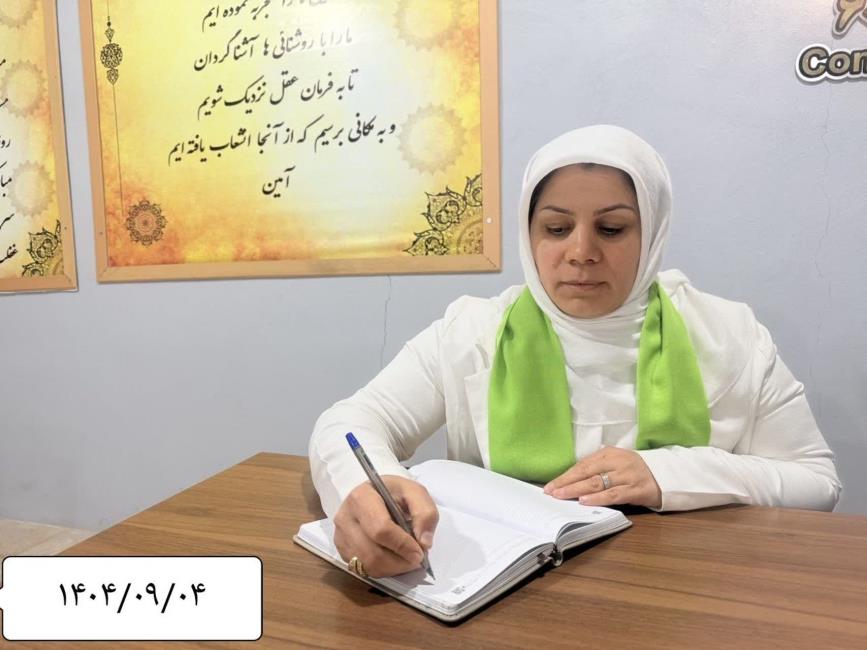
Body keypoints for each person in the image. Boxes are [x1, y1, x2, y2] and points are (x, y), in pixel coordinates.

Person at [309, 125, 841, 578]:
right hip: (498, 595)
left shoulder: (729, 335)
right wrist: (364, 489)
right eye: (557, 228)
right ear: (528, 233)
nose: (581, 252)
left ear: (652, 232)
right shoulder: (472, 331)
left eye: (611, 228)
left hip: (685, 592)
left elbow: (816, 482)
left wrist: (670, 473)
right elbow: (350, 422)